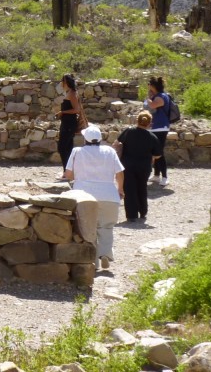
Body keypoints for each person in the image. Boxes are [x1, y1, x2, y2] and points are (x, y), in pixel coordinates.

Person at [64, 124, 124, 270]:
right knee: (106, 226)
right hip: (108, 194)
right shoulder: (110, 151)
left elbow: (69, 174)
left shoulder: (77, 151)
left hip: (84, 195)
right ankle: (104, 253)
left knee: (87, 228)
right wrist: (120, 189)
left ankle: (92, 261)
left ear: (85, 138)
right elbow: (119, 173)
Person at [113, 111, 161, 223]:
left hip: (127, 165)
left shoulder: (129, 131)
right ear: (149, 123)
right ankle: (143, 212)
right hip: (144, 167)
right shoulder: (152, 137)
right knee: (142, 188)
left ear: (137, 120)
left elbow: (117, 142)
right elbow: (158, 154)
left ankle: (131, 215)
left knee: (129, 189)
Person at [144, 76, 172, 186]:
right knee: (154, 152)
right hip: (155, 127)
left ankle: (164, 176)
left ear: (153, 86)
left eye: (149, 84)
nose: (148, 87)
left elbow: (152, 105)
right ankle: (156, 175)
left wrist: (148, 98)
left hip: (161, 127)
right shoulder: (156, 96)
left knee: (159, 152)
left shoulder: (161, 97)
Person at [55, 74, 82, 179]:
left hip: (69, 124)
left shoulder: (72, 93)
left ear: (66, 82)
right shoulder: (70, 93)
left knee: (62, 147)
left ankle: (67, 172)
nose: (61, 83)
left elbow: (77, 110)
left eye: (62, 81)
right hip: (66, 123)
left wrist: (62, 112)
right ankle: (69, 172)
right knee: (68, 148)